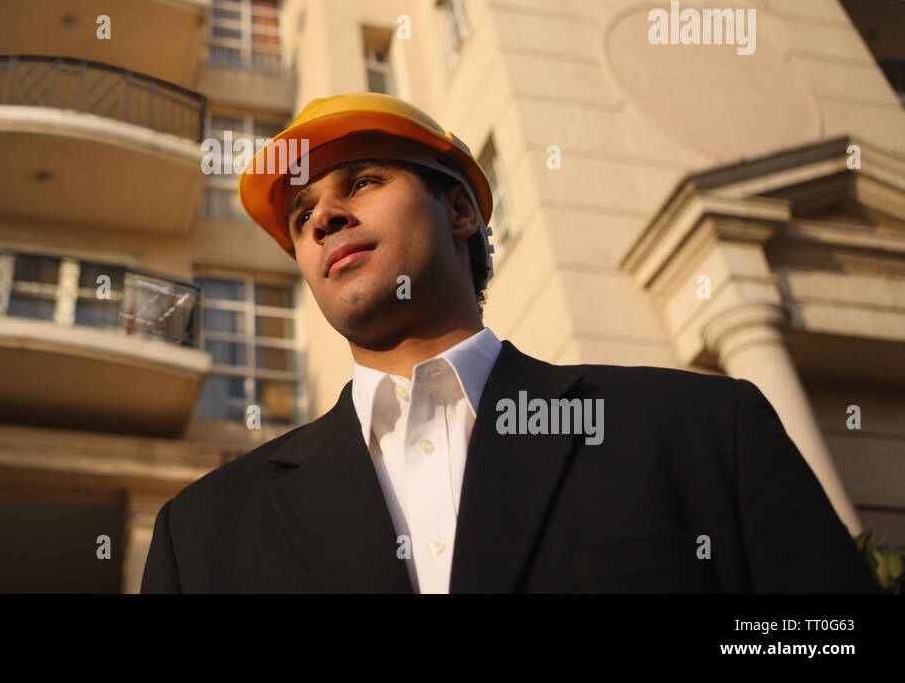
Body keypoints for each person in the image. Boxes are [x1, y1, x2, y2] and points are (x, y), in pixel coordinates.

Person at [141, 93, 878, 593]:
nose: (324, 217)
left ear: (460, 209)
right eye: (301, 216)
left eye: (361, 181)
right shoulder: (201, 533)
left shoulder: (703, 429)